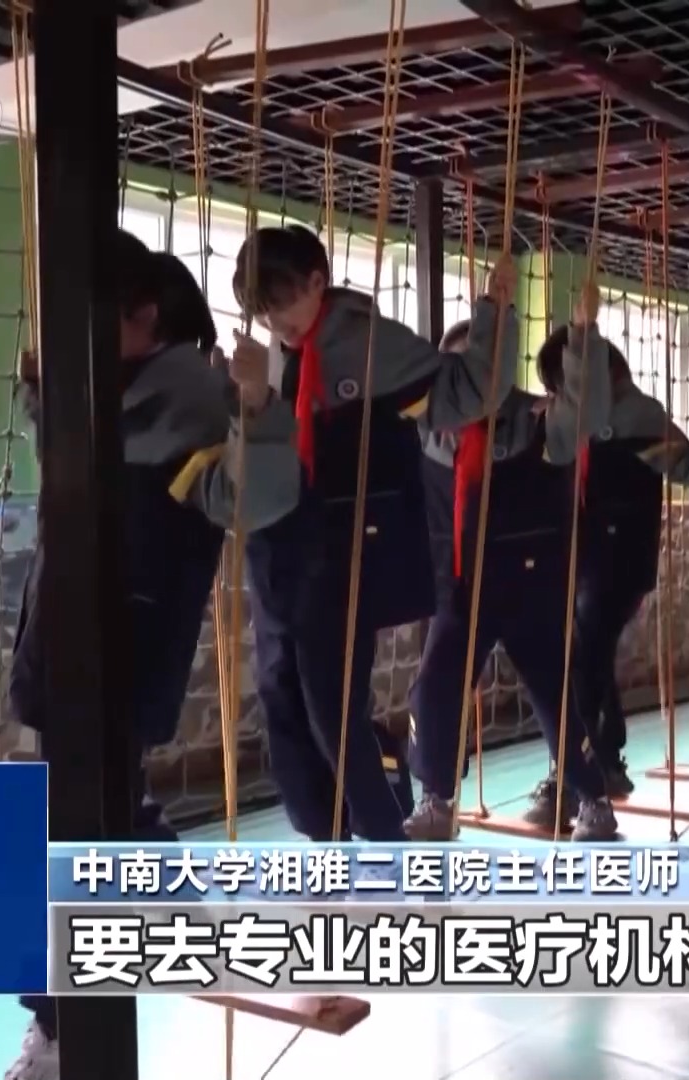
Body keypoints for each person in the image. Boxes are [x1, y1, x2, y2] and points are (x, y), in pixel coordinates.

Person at [189, 225, 522, 846]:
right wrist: (243, 398)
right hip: (278, 554)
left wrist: (495, 313)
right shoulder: (268, 355)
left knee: (332, 707)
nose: (276, 322)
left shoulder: (369, 345)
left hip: (343, 556)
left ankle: (383, 842)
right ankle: (326, 835)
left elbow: (466, 392)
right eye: (262, 311)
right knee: (281, 698)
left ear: (318, 282)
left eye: (283, 303)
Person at [4, 232, 231, 1080]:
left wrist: (264, 416)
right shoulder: (118, 388)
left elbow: (133, 466)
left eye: (98, 320)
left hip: (119, 645)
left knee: (75, 830)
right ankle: (181, 918)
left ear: (146, 316)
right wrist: (45, 396)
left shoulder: (189, 395)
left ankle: (60, 1026)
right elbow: (76, 466)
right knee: (102, 811)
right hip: (76, 634)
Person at [400, 273, 620, 842]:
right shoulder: (428, 429)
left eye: (480, 371)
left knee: (555, 696)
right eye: (458, 373)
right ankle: (437, 800)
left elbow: (586, 415)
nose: (469, 386)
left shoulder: (538, 419)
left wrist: (583, 337)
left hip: (531, 587)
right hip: (459, 587)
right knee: (434, 689)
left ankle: (593, 798)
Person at [534, 321, 689, 799]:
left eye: (568, 380)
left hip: (620, 558)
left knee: (585, 656)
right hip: (584, 557)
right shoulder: (569, 418)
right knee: (588, 654)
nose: (564, 392)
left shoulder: (636, 414)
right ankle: (602, 761)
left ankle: (580, 772)